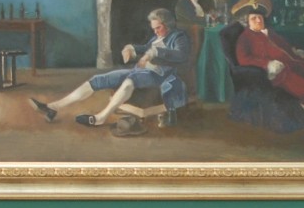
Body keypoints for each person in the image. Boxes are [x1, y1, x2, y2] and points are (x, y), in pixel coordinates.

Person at [29, 8, 190, 127]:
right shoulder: (157, 37)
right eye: (153, 28)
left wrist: (154, 52)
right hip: (140, 70)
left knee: (130, 80)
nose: (155, 32)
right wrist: (130, 48)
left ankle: (100, 118)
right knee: (100, 79)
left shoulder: (178, 37)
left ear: (167, 24)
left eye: (158, 28)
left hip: (158, 74)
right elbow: (145, 48)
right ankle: (53, 107)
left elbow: (180, 55)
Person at [235, 5, 304, 126]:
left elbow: (284, 45)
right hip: (280, 72)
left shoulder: (269, 32)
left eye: (260, 17)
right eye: (254, 18)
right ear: (247, 22)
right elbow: (243, 59)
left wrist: (295, 51)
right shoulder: (244, 38)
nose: (258, 20)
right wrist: (267, 64)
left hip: (296, 62)